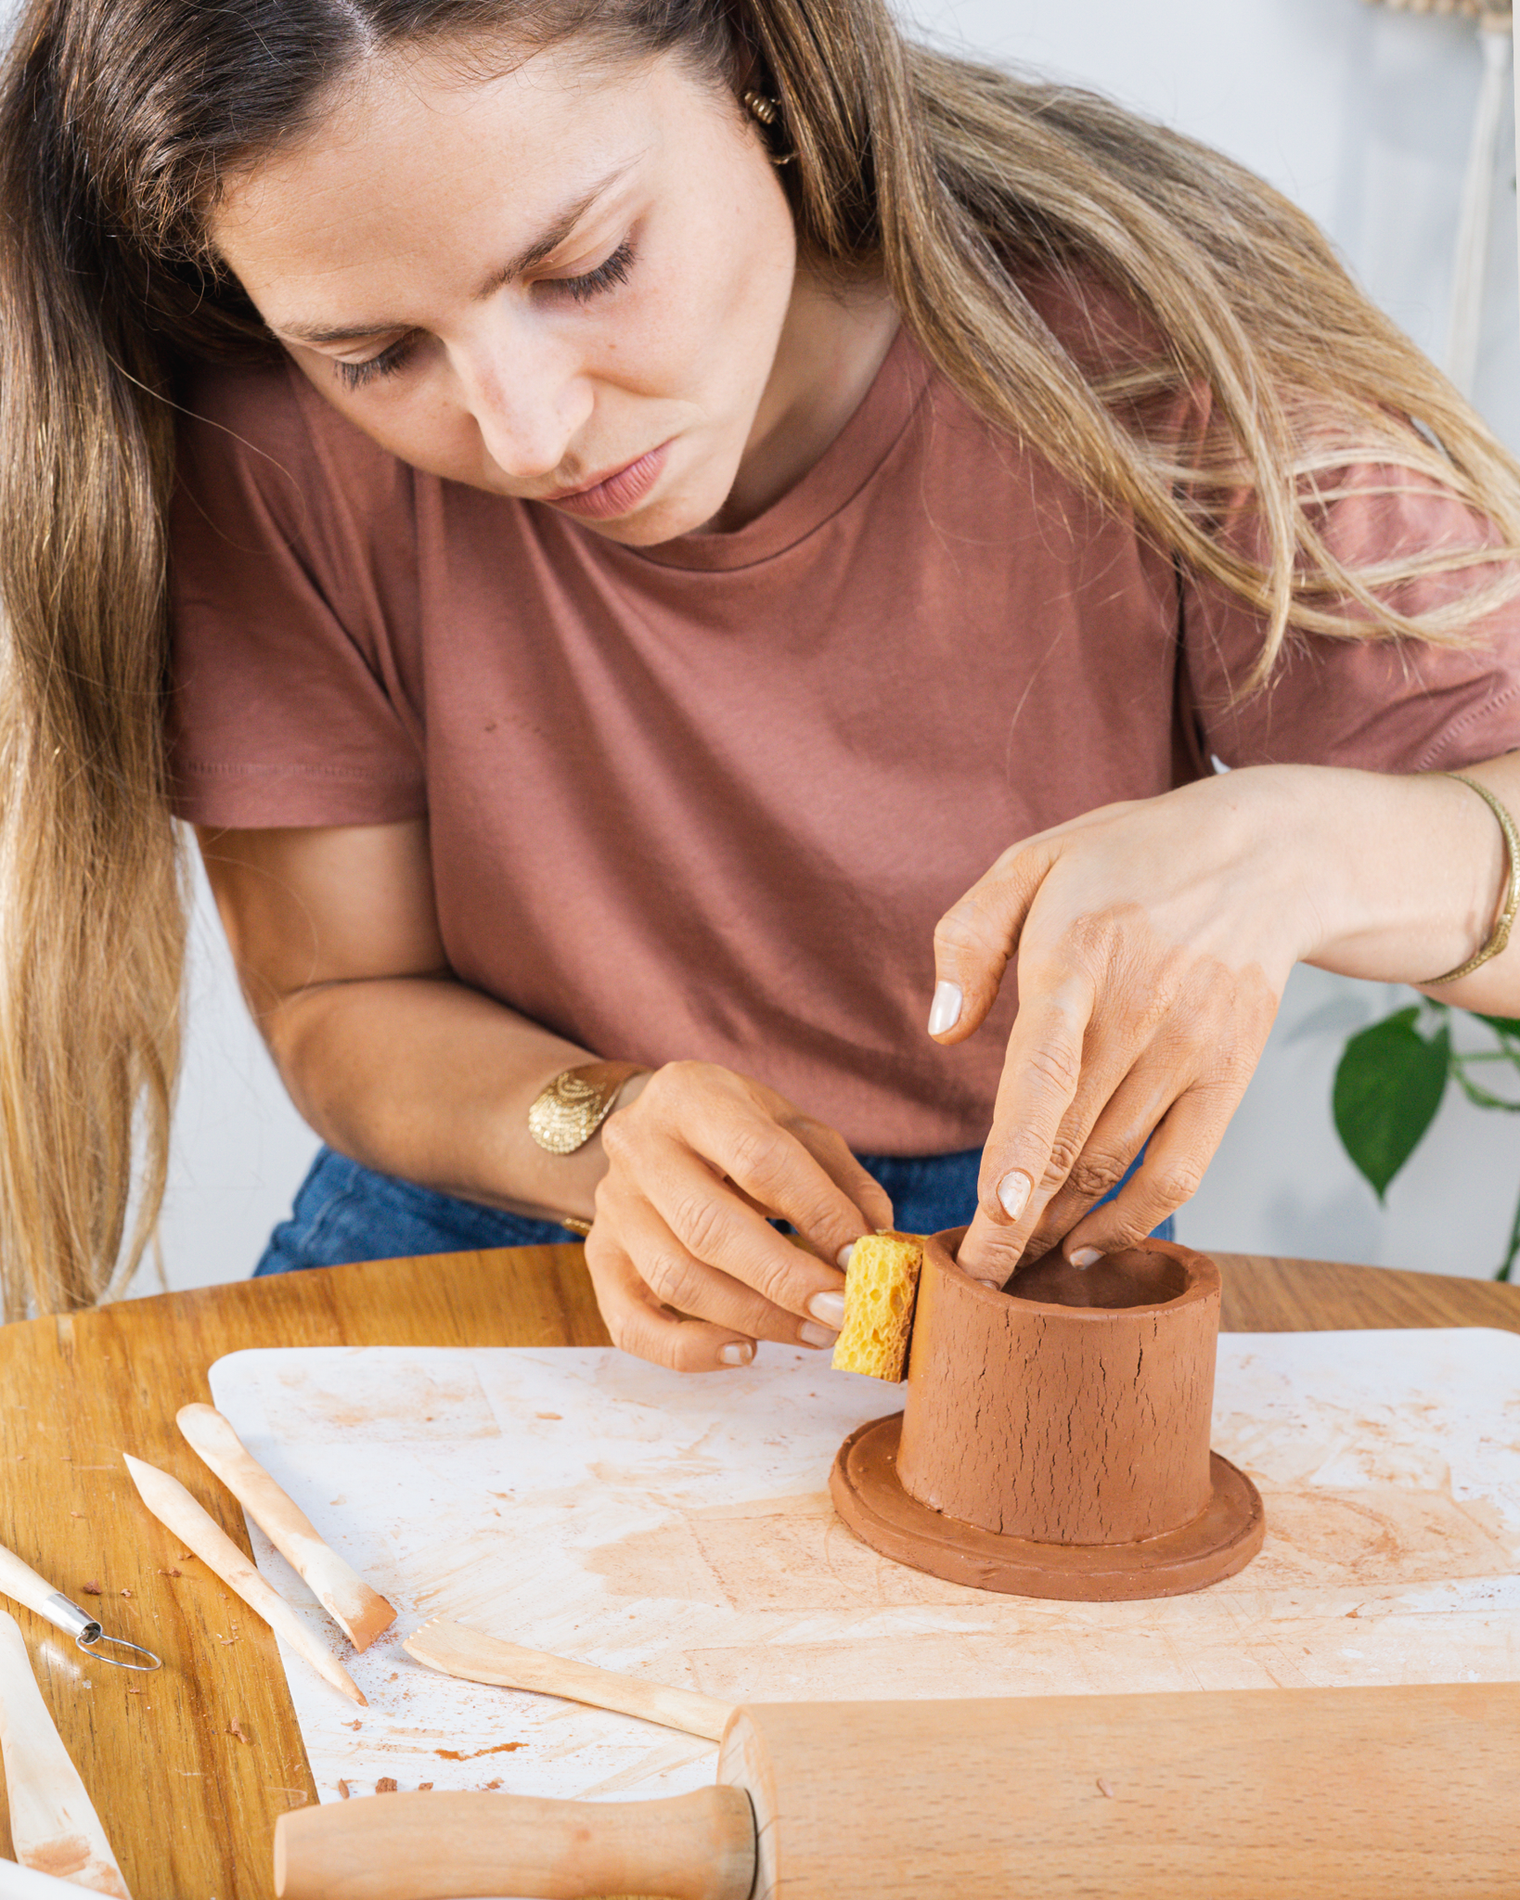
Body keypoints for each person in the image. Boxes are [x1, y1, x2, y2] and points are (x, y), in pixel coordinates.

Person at [1, 0, 1518, 1360]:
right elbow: (343, 998)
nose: (526, 435)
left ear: (759, 66)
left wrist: (1305, 850)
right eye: (378, 354)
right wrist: (608, 1132)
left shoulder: (1158, 340)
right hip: (488, 1177)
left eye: (584, 265)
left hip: (1015, 1260)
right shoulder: (260, 435)